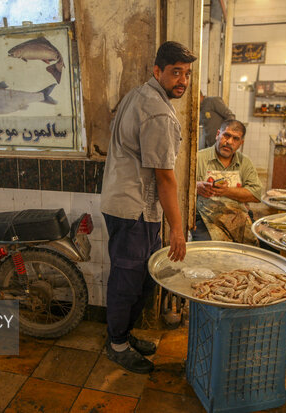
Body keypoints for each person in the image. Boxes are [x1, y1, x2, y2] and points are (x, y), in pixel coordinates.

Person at [100, 41, 196, 374]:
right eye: (175, 72)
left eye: (186, 74)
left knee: (142, 279)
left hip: (127, 204)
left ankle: (122, 335)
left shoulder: (139, 95)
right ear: (158, 71)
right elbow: (165, 179)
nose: (182, 80)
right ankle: (117, 344)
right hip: (134, 210)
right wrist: (177, 229)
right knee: (127, 282)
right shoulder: (157, 112)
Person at [192, 119, 262, 245]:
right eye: (226, 135)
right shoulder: (198, 158)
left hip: (238, 217)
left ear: (241, 143)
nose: (229, 142)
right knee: (209, 250)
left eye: (235, 139)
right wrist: (196, 187)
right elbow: (179, 186)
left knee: (254, 248)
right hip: (205, 219)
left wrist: (226, 191)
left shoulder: (245, 162)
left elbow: (256, 195)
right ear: (218, 134)